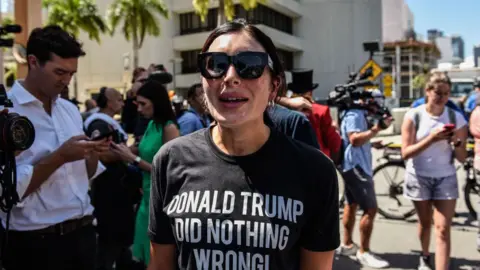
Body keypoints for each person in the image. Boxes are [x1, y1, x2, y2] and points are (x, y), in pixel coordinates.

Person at [147, 19, 339, 270]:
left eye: (249, 65)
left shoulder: (315, 171)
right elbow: (161, 265)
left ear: (274, 85)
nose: (230, 77)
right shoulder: (170, 159)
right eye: (215, 65)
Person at [0, 25, 110, 270]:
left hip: (83, 235)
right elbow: (5, 192)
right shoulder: (7, 113)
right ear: (33, 62)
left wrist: (92, 153)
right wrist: (60, 157)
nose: (66, 81)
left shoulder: (69, 110)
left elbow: (84, 177)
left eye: (71, 73)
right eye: (60, 72)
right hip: (35, 244)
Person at [401, 72, 467, 270]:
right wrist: (432, 138)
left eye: (447, 94)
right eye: (438, 93)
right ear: (428, 91)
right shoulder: (414, 115)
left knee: (443, 228)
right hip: (418, 176)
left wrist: (456, 143)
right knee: (425, 222)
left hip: (445, 177)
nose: (442, 98)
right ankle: (425, 254)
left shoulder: (457, 118)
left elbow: (462, 158)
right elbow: (406, 153)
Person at [110, 80, 180, 267]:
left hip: (160, 202)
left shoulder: (169, 128)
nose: (139, 109)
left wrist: (133, 160)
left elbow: (169, 171)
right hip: (146, 197)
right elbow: (138, 150)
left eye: (143, 104)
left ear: (156, 102)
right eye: (137, 104)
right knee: (142, 257)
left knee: (156, 258)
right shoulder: (151, 125)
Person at [337, 94, 392, 268]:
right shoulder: (355, 114)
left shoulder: (354, 113)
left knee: (351, 204)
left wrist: (373, 143)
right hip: (357, 167)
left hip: (353, 165)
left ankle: (347, 245)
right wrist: (377, 129)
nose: (376, 108)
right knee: (370, 209)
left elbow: (357, 139)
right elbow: (354, 139)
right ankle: (364, 252)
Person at [84, 87, 136, 270]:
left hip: (119, 188)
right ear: (108, 101)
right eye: (119, 100)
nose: (122, 104)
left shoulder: (110, 123)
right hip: (108, 189)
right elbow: (102, 154)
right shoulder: (99, 123)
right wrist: (131, 153)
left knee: (122, 240)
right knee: (110, 240)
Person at [287, 69, 341, 160]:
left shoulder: (284, 110)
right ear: (310, 92)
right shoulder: (321, 111)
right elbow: (334, 145)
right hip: (318, 164)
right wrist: (336, 130)